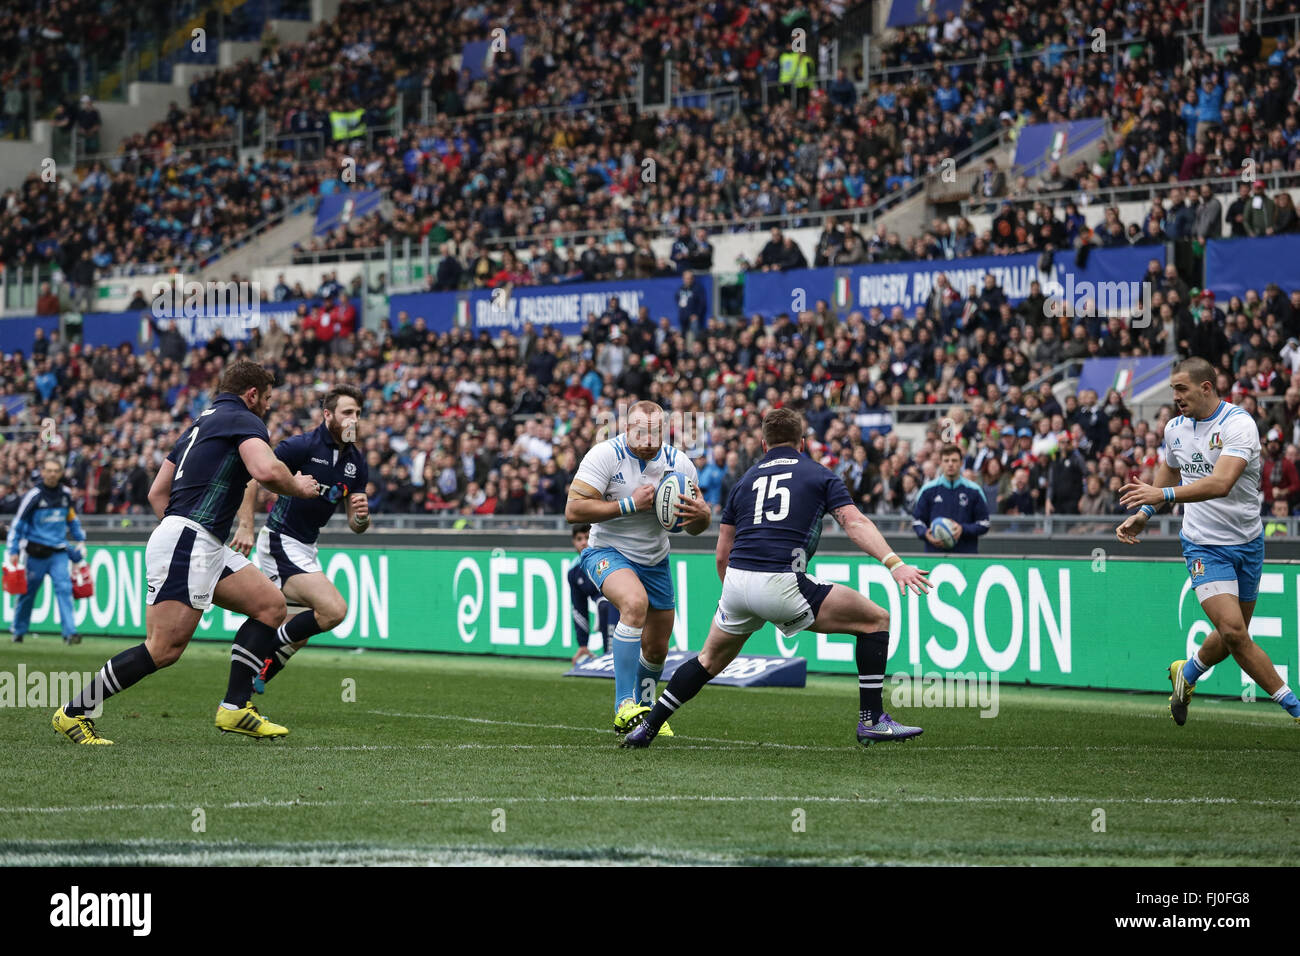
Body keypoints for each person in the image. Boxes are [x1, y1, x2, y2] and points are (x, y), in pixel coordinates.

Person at [622, 408, 931, 749]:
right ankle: (872, 721)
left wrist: (738, 600)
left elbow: (722, 553)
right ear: (802, 442)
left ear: (765, 446)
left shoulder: (743, 482)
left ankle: (647, 728)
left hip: (737, 582)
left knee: (707, 660)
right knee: (875, 621)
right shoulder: (818, 474)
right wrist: (894, 563)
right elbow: (854, 522)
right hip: (782, 582)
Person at [51, 361, 321, 745]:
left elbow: (156, 493)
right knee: (163, 650)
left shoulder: (200, 423)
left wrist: (185, 531)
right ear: (252, 394)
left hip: (197, 539)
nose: (269, 407)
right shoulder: (244, 419)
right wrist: (298, 486)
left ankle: (235, 707)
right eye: (268, 398)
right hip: (191, 539)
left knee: (271, 606)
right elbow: (266, 471)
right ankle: (75, 712)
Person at [1117, 357, 1300, 727]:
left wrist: (1162, 496)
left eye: (1181, 389)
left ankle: (1187, 672)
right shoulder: (1174, 428)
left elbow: (1220, 484)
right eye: (1172, 390)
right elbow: (1169, 468)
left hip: (1248, 542)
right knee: (1234, 632)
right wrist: (1144, 516)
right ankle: (1295, 708)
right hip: (1203, 545)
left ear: (1206, 387)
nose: (1175, 396)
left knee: (1234, 634)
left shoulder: (1238, 425)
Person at [565, 401, 710, 734]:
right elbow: (573, 511)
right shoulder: (605, 456)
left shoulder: (681, 465)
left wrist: (702, 517)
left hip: (656, 560)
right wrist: (630, 504)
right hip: (606, 551)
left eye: (655, 432)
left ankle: (645, 712)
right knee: (634, 603)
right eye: (640, 431)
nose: (647, 439)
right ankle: (623, 705)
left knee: (658, 648)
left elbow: (694, 525)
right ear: (626, 429)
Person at [232, 385, 370, 692]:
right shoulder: (302, 446)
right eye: (347, 413)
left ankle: (250, 685)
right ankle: (262, 658)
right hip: (281, 539)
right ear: (327, 415)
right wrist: (245, 526)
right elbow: (252, 479)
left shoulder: (356, 462)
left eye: (358, 414)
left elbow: (355, 523)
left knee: (299, 630)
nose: (354, 420)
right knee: (334, 610)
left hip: (306, 545)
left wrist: (362, 517)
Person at [6, 456, 87, 644]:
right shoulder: (33, 496)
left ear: (60, 473)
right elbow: (18, 524)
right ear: (42, 472)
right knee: (28, 594)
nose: (51, 474)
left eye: (55, 471)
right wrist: (13, 549)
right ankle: (18, 631)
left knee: (65, 589)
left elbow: (72, 519)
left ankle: (70, 633)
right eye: (48, 470)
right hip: (36, 553)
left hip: (58, 552)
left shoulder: (66, 494)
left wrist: (81, 539)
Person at [911, 444, 990, 553]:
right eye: (946, 460)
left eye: (954, 460)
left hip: (965, 557)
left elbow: (984, 524)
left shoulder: (974, 490)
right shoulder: (928, 490)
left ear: (961, 463)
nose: (950, 464)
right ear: (941, 463)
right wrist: (925, 533)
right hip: (934, 556)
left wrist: (963, 529)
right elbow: (917, 521)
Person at [567, 524, 619, 664]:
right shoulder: (574, 572)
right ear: (573, 541)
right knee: (603, 605)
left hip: (624, 604)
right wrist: (583, 645)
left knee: (605, 604)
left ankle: (612, 657)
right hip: (605, 610)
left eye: (587, 537)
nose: (584, 542)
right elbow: (579, 609)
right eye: (579, 539)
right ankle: (610, 657)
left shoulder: (607, 559)